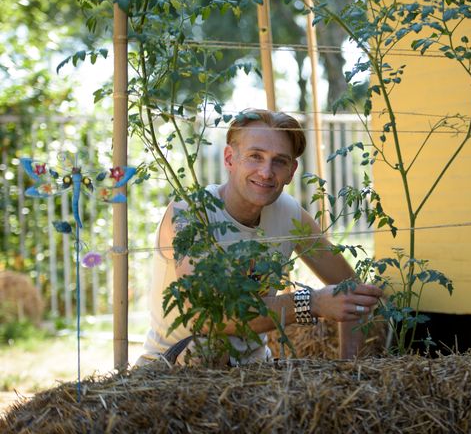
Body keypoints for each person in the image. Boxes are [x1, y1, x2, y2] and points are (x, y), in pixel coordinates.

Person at [136, 108, 383, 366]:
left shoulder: (289, 214)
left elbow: (352, 289)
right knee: (206, 352)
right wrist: (309, 303)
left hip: (254, 376)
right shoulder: (191, 213)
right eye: (255, 156)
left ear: (291, 171)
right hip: (175, 370)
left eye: (279, 161)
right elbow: (206, 317)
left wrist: (352, 373)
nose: (266, 172)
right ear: (230, 158)